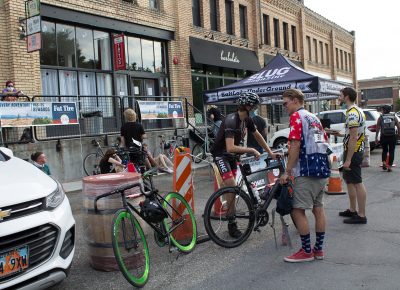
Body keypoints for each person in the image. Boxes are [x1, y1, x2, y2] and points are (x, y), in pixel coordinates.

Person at [210, 92, 279, 238]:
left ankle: (233, 216)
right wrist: (252, 150)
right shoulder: (231, 120)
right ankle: (231, 223)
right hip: (221, 155)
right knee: (231, 185)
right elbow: (229, 147)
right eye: (254, 106)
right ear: (247, 106)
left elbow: (258, 135)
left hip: (232, 157)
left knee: (233, 190)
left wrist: (270, 152)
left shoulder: (247, 119)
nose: (255, 109)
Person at [278, 89, 330, 263]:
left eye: (285, 103)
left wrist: (288, 171)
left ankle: (306, 251)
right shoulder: (313, 117)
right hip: (322, 168)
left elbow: (295, 144)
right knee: (318, 208)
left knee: (297, 210)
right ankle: (318, 250)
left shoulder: (297, 117)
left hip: (306, 170)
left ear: (294, 100)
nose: (284, 107)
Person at [333, 87, 368, 224]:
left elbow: (354, 137)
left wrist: (348, 160)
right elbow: (354, 133)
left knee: (357, 182)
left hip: (354, 151)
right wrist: (342, 134)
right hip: (354, 149)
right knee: (350, 182)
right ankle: (353, 210)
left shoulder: (352, 113)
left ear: (346, 96)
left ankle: (361, 215)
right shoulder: (356, 110)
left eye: (340, 95)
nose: (339, 97)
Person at [375, 105, 400, 172]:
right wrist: (398, 134)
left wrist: (376, 137)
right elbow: (398, 126)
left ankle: (384, 163)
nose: (381, 111)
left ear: (385, 110)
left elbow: (377, 128)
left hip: (384, 136)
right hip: (392, 136)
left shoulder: (381, 117)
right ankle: (389, 167)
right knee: (392, 151)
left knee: (384, 150)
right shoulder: (394, 117)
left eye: (382, 109)